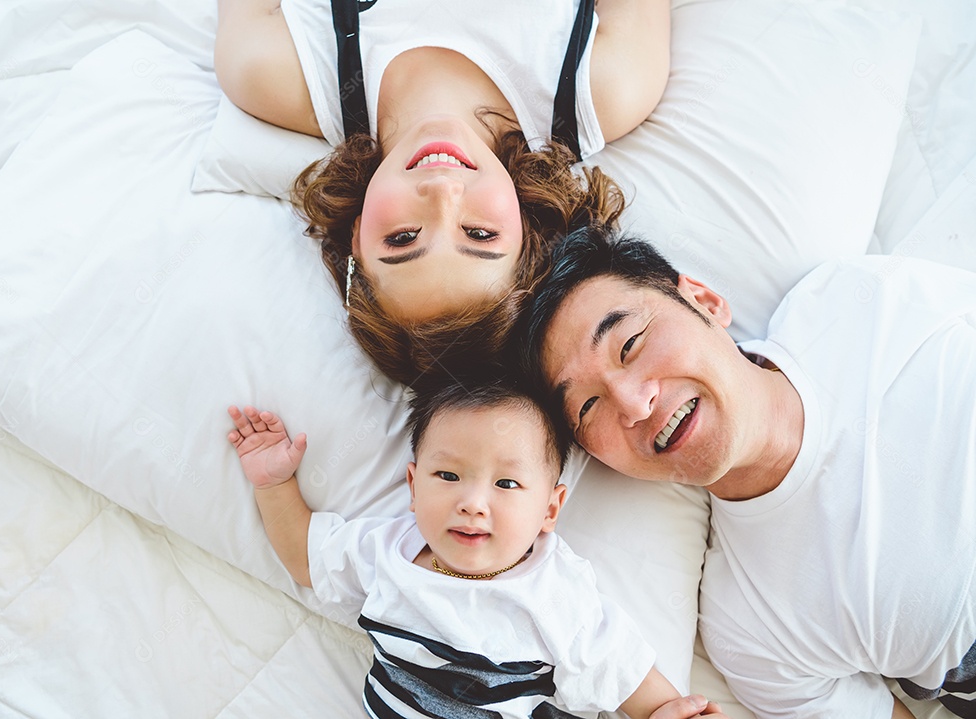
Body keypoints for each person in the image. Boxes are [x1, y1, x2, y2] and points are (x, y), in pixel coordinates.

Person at [515, 224, 976, 719]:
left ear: (706, 302)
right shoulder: (748, 631)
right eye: (587, 408)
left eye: (629, 344)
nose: (634, 403)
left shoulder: (850, 300)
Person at [214, 0, 669, 385]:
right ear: (529, 235)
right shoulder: (605, 87)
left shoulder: (266, 70)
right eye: (479, 234)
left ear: (356, 237)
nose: (443, 191)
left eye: (403, 238)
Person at [226, 379, 729, 719]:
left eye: (507, 484)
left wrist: (671, 711)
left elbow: (623, 671)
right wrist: (274, 484)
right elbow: (306, 559)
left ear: (550, 510)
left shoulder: (555, 590)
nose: (472, 503)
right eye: (448, 476)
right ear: (414, 485)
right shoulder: (387, 552)